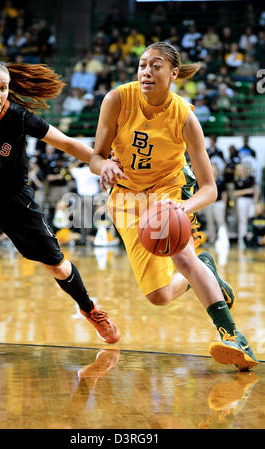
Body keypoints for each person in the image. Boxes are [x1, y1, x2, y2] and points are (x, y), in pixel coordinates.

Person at [89, 41, 258, 371]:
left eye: (155, 66)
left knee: (183, 256)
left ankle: (234, 337)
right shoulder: (117, 99)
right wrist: (103, 167)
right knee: (159, 296)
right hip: (126, 196)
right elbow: (95, 156)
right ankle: (207, 268)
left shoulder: (185, 117)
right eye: (142, 65)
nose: (146, 72)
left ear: (173, 73)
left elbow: (210, 189)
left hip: (168, 189)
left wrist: (183, 208)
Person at [0, 60, 120, 353]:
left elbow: (66, 143)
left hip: (13, 199)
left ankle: (89, 309)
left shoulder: (18, 117)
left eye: (3, 88)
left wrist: (100, 163)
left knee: (58, 267)